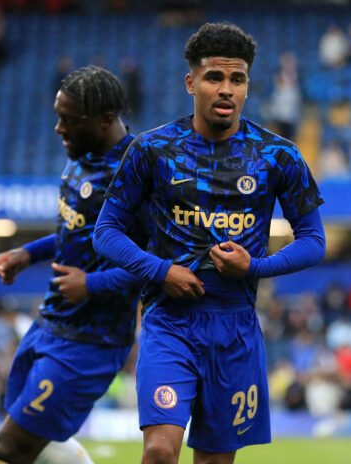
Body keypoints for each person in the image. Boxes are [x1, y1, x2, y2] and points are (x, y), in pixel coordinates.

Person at [94, 22, 326, 464]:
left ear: (247, 86)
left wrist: (254, 268)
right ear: (191, 82)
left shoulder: (278, 155)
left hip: (235, 328)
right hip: (169, 322)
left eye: (236, 79)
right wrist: (161, 271)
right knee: (161, 451)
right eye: (214, 77)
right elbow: (106, 232)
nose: (226, 89)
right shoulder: (151, 150)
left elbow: (314, 240)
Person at [0, 66, 147, 464]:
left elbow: (153, 265)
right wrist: (28, 254)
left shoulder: (137, 176)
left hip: (90, 341)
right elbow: (73, 233)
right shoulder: (79, 158)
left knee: (11, 447)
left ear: (105, 120)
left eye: (68, 120)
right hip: (51, 323)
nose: (59, 129)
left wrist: (91, 284)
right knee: (33, 438)